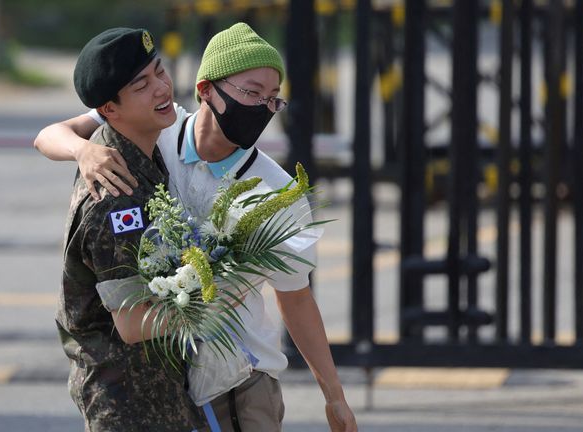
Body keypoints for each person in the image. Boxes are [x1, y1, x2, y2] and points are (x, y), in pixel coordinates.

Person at [36, 23, 357, 432]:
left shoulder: (277, 194)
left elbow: (296, 299)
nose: (262, 107)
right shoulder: (153, 139)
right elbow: (50, 135)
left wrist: (334, 396)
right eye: (251, 92)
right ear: (207, 90)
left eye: (272, 99)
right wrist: (83, 151)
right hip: (161, 385)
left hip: (238, 380)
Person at [54, 27, 204, 431]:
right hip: (129, 406)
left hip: (160, 394)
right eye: (142, 85)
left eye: (160, 72)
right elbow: (133, 322)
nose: (161, 88)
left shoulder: (137, 153)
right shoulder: (116, 195)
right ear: (109, 109)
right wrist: (222, 296)